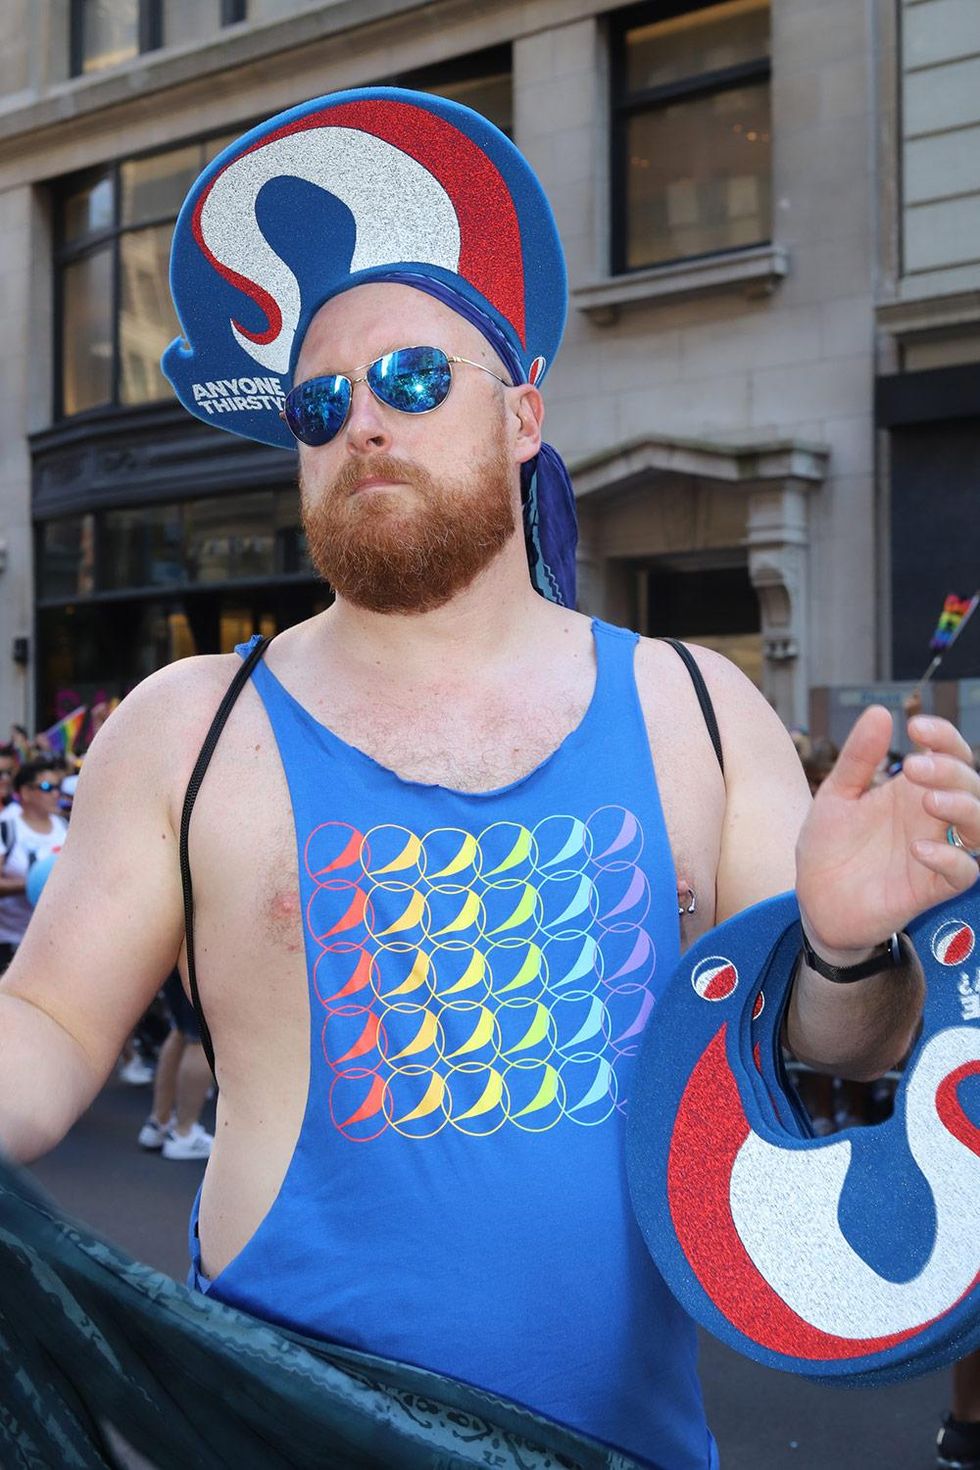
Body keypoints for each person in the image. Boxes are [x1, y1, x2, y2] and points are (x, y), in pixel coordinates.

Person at [1, 88, 979, 1470]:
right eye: (320, 402)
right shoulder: (189, 724)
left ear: (523, 414)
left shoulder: (696, 709)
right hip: (283, 1437)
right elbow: (44, 1029)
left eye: (410, 380)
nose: (361, 424)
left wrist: (842, 947)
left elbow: (831, 1051)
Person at [0, 758, 67, 975]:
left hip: (54, 942)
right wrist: (32, 883)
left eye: (58, 786)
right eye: (47, 787)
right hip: (10, 942)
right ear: (25, 792)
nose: (55, 793)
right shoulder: (6, 829)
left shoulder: (65, 827)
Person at [138, 972, 215, 1160]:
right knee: (201, 1038)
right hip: (202, 963)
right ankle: (184, 1132)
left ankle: (160, 1122)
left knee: (180, 1031)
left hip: (177, 961)